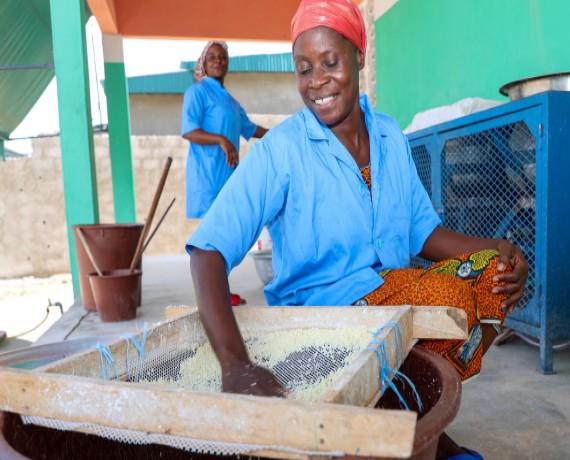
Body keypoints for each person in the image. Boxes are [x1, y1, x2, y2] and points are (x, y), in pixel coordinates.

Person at [186, 1, 528, 459]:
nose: (317, 81)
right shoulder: (282, 150)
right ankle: (415, 426)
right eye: (303, 68)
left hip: (391, 297)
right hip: (322, 317)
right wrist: (235, 365)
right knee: (431, 298)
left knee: (490, 278)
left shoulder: (388, 136)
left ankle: (404, 406)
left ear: (359, 57)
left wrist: (500, 248)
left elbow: (423, 233)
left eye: (331, 63)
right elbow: (207, 252)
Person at [181, 40, 268, 306]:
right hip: (207, 176)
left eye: (222, 57)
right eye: (212, 57)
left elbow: (250, 128)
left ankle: (219, 292)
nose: (218, 61)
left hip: (228, 179)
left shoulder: (230, 101)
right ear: (204, 64)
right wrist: (221, 139)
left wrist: (284, 135)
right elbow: (189, 130)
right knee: (212, 238)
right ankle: (214, 296)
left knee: (224, 236)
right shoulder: (197, 93)